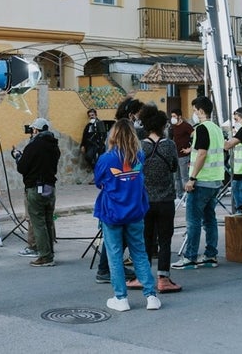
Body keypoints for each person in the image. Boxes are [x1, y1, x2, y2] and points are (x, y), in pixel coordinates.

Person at [94, 118, 161, 311]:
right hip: (135, 212)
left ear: (113, 135)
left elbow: (98, 182)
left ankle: (121, 298)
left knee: (115, 256)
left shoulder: (106, 159)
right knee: (139, 253)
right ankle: (151, 297)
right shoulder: (138, 155)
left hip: (112, 213)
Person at [171, 96, 224, 270]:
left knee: (193, 220)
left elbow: (202, 154)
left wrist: (192, 178)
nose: (193, 114)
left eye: (194, 110)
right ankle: (210, 255)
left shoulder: (201, 128)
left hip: (202, 181)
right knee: (210, 220)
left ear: (201, 111)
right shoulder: (216, 128)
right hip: (215, 180)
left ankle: (190, 257)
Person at [132, 104, 181, 293]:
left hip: (145, 200)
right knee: (165, 240)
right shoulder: (169, 145)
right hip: (166, 199)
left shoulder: (140, 147)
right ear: (162, 126)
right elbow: (174, 167)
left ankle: (141, 277)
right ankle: (163, 279)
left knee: (145, 239)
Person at [13, 118, 61, 267]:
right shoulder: (54, 146)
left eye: (32, 129)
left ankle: (45, 257)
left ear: (36, 130)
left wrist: (18, 157)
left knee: (38, 223)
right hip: (50, 187)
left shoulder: (33, 146)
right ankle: (49, 253)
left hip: (36, 187)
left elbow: (22, 168)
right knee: (47, 221)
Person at [169, 108, 193, 196]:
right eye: (171, 116)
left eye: (174, 116)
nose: (172, 118)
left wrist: (190, 149)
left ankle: (187, 197)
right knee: (176, 178)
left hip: (183, 156)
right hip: (175, 155)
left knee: (184, 177)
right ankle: (179, 196)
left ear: (179, 116)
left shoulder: (186, 126)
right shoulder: (172, 127)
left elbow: (195, 136)